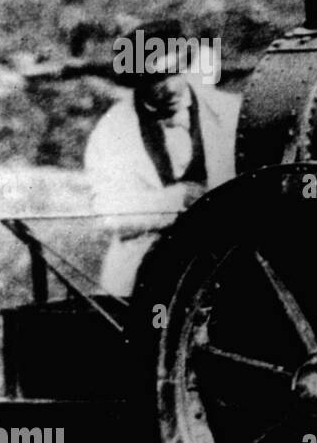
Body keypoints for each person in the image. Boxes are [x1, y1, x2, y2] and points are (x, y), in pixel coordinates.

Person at [84, 20, 240, 297]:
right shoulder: (111, 130)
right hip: (144, 274)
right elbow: (108, 213)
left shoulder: (230, 112)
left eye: (175, 72)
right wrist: (176, 199)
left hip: (225, 267)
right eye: (156, 79)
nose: (170, 88)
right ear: (136, 82)